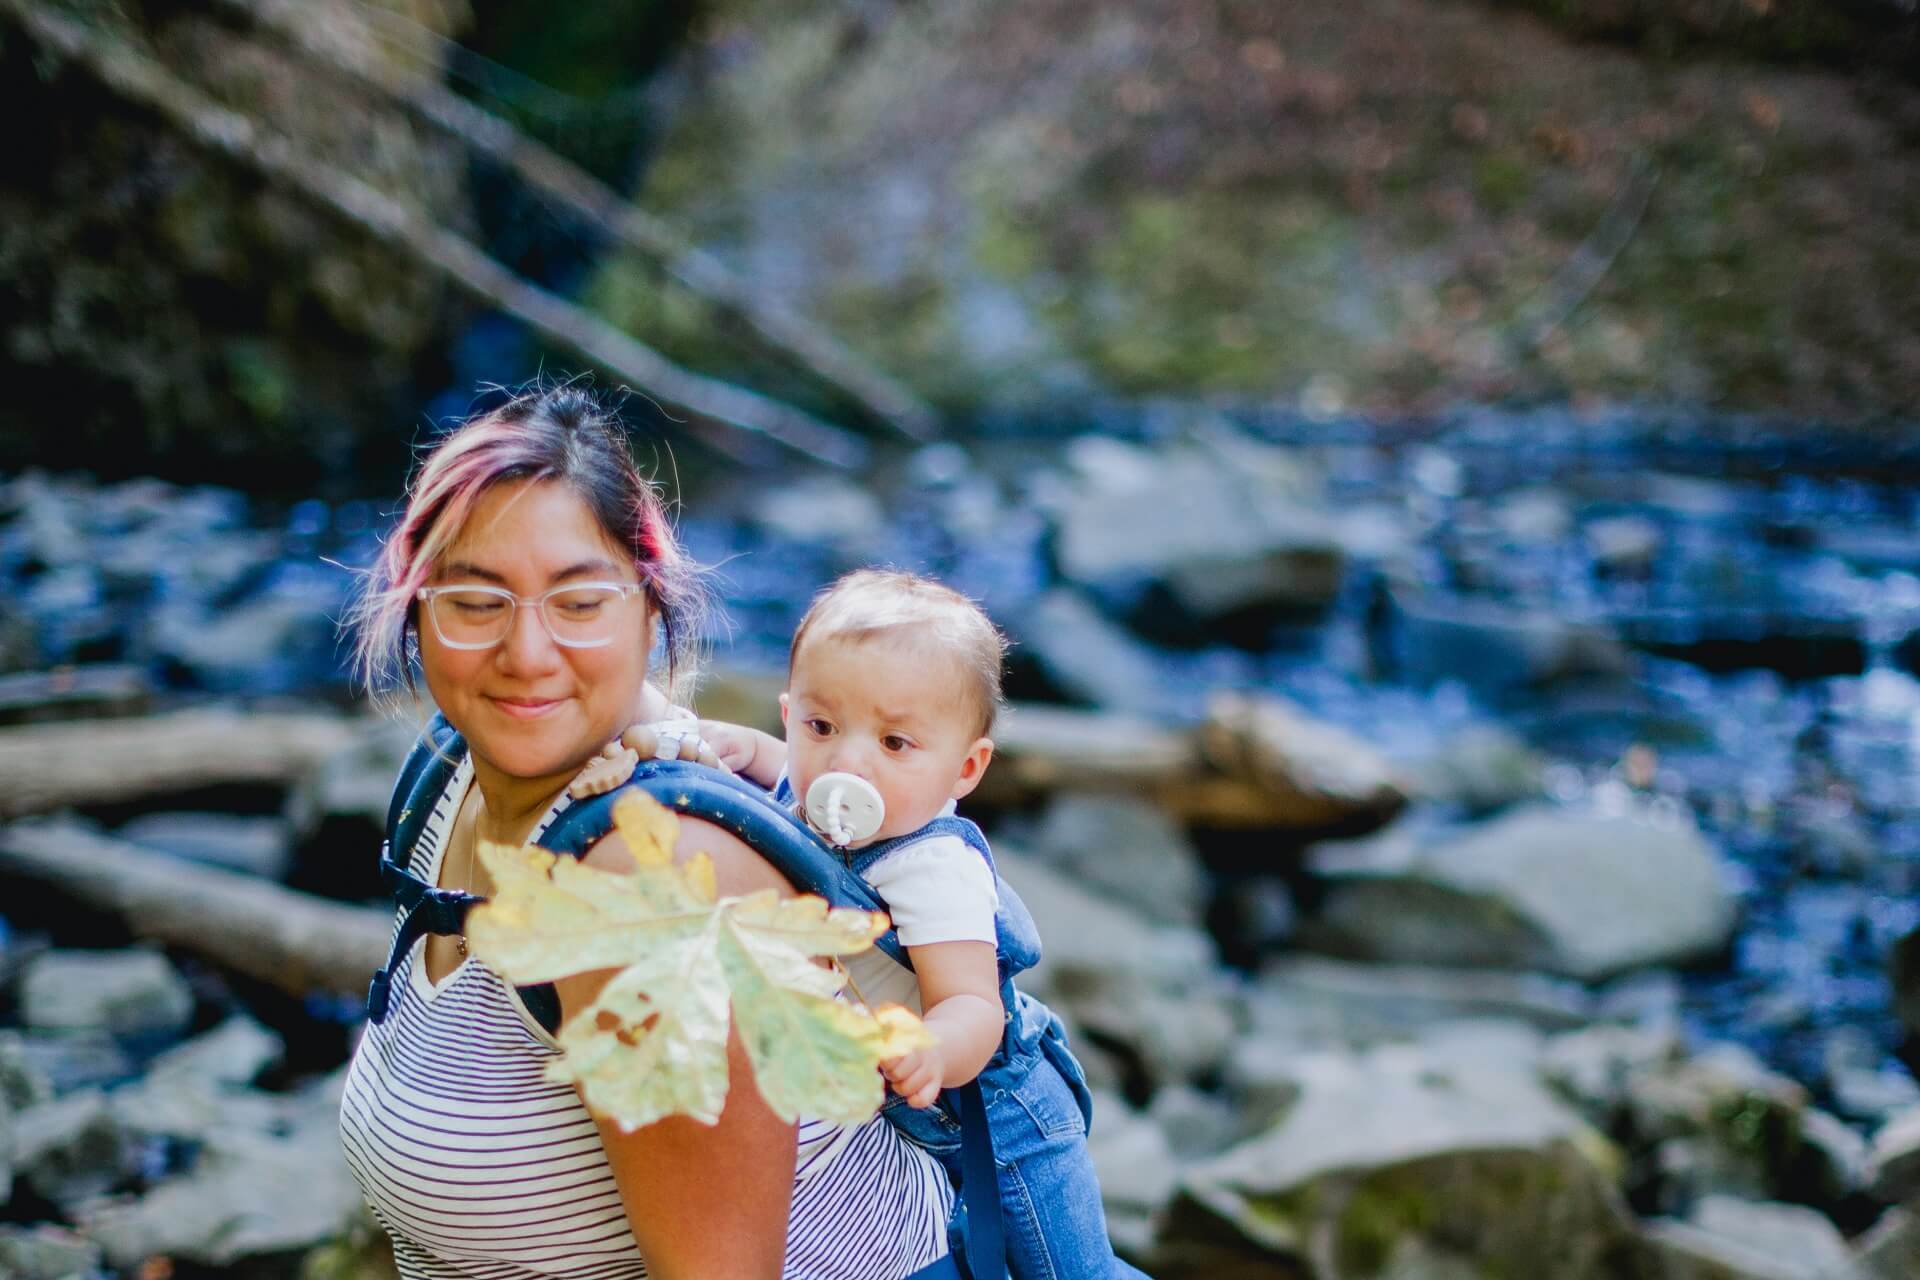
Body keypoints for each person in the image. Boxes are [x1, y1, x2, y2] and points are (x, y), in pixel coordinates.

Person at [335, 386, 957, 1280]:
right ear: (418, 606)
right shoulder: (450, 773)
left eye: (580, 603)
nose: (527, 653)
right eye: (476, 602)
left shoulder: (657, 882)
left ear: (650, 606)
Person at [685, 569, 1148, 1280]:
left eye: (895, 744)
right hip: (910, 1103)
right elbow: (790, 778)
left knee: (1067, 1269)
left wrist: (934, 1048)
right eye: (820, 725)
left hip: (1001, 1111)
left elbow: (973, 1004)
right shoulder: (814, 791)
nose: (848, 761)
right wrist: (745, 753)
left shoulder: (931, 868)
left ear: (965, 768)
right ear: (788, 715)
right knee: (974, 1248)